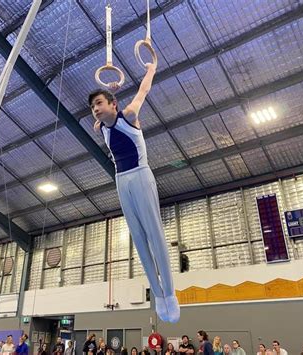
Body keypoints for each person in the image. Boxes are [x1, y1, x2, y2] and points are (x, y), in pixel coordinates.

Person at [89, 60, 179, 323]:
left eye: (99, 104)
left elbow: (143, 91)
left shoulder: (129, 115)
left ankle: (171, 293)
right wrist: (108, 101)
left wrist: (151, 69)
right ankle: (159, 296)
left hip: (141, 176)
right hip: (121, 181)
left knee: (154, 233)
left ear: (113, 104)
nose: (95, 109)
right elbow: (101, 123)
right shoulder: (99, 127)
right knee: (138, 239)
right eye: (93, 106)